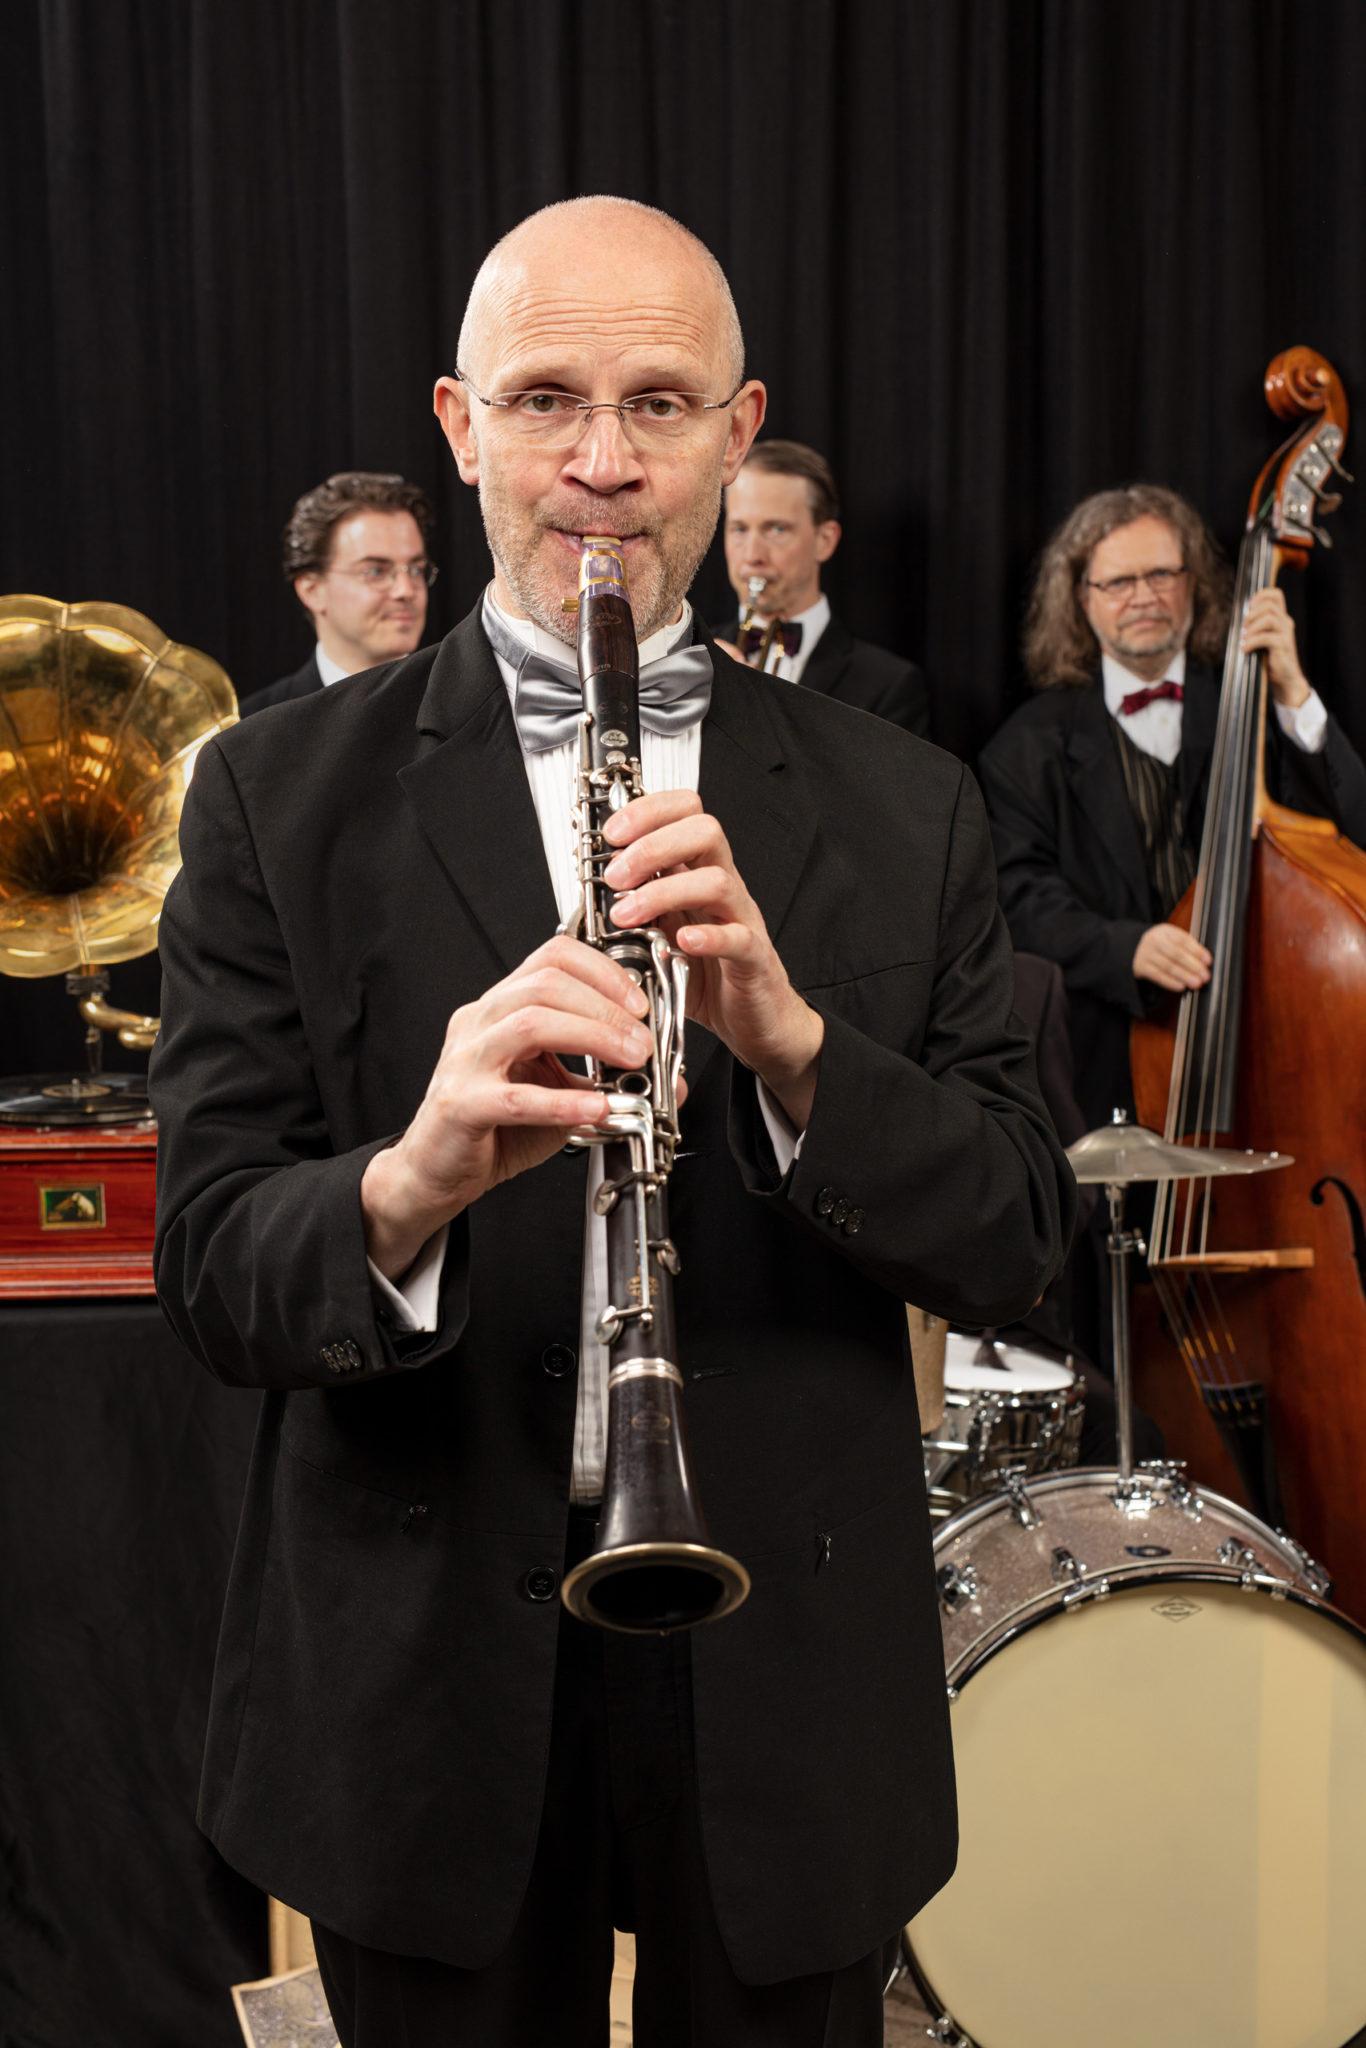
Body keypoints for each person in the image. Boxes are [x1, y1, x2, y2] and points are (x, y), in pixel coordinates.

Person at [151, 196, 1072, 2048]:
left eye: (659, 404)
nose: (598, 461)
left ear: (740, 438)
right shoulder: (273, 794)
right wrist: (409, 1180)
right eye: (545, 398)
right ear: (457, 422)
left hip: (790, 1660)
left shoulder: (912, 805)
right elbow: (213, 1267)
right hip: (415, 1668)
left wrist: (797, 1045)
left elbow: (1023, 1239)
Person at [978, 483, 1366, 1134]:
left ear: (1195, 584)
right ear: (1081, 599)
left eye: (1162, 573)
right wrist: (1122, 946)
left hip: (1275, 1037)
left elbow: (1350, 831)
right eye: (1119, 581)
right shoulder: (1025, 746)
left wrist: (1293, 689)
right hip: (1105, 1054)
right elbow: (1011, 895)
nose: (1144, 597)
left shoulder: (1259, 711)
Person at [716, 438, 930, 734]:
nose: (752, 556)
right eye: (739, 529)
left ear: (825, 540)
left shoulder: (888, 685)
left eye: (777, 529)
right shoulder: (692, 658)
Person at [242, 470, 436, 712]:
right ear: (312, 590)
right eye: (376, 571)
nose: (406, 590)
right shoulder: (251, 730)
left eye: (416, 570)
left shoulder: (468, 706)